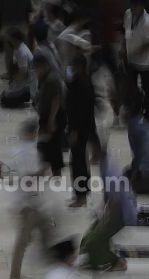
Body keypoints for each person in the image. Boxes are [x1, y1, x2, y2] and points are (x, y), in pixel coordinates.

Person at [8, 118, 53, 279]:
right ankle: (15, 274)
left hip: (26, 199)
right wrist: (43, 171)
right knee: (24, 238)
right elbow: (28, 178)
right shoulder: (29, 151)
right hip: (28, 201)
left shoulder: (19, 149)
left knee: (44, 230)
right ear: (33, 133)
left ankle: (54, 263)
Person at [80, 153, 135, 272]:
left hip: (120, 215)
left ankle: (116, 261)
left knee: (93, 241)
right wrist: (100, 212)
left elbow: (115, 202)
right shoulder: (106, 164)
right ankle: (93, 259)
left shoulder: (109, 171)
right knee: (90, 236)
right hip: (116, 211)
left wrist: (102, 222)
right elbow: (108, 197)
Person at [67, 54, 99, 207]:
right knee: (81, 160)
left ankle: (81, 197)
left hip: (79, 129)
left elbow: (77, 111)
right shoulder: (87, 81)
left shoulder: (79, 83)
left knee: (78, 162)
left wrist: (74, 130)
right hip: (86, 127)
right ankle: (82, 194)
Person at [34, 53, 66, 177]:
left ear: (45, 66)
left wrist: (52, 119)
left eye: (38, 67)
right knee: (46, 142)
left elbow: (56, 99)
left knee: (53, 144)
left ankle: (56, 170)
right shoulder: (44, 78)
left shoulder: (52, 79)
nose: (37, 70)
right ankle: (46, 167)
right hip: (47, 115)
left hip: (54, 115)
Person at [123, 0, 149, 117]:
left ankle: (147, 112)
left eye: (135, 5)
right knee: (132, 88)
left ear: (142, 6)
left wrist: (135, 53)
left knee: (147, 88)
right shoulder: (128, 14)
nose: (132, 8)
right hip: (130, 61)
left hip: (145, 63)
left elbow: (147, 45)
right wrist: (123, 47)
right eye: (131, 4)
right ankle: (136, 108)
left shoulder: (147, 22)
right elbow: (127, 33)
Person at [0, 28, 33, 108]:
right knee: (3, 96)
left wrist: (10, 77)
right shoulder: (17, 48)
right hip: (21, 83)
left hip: (27, 86)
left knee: (5, 99)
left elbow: (24, 75)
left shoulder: (22, 52)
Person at [126, 89, 149, 193]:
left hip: (145, 175)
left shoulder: (134, 126)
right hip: (144, 171)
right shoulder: (142, 122)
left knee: (116, 182)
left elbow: (141, 156)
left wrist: (133, 176)